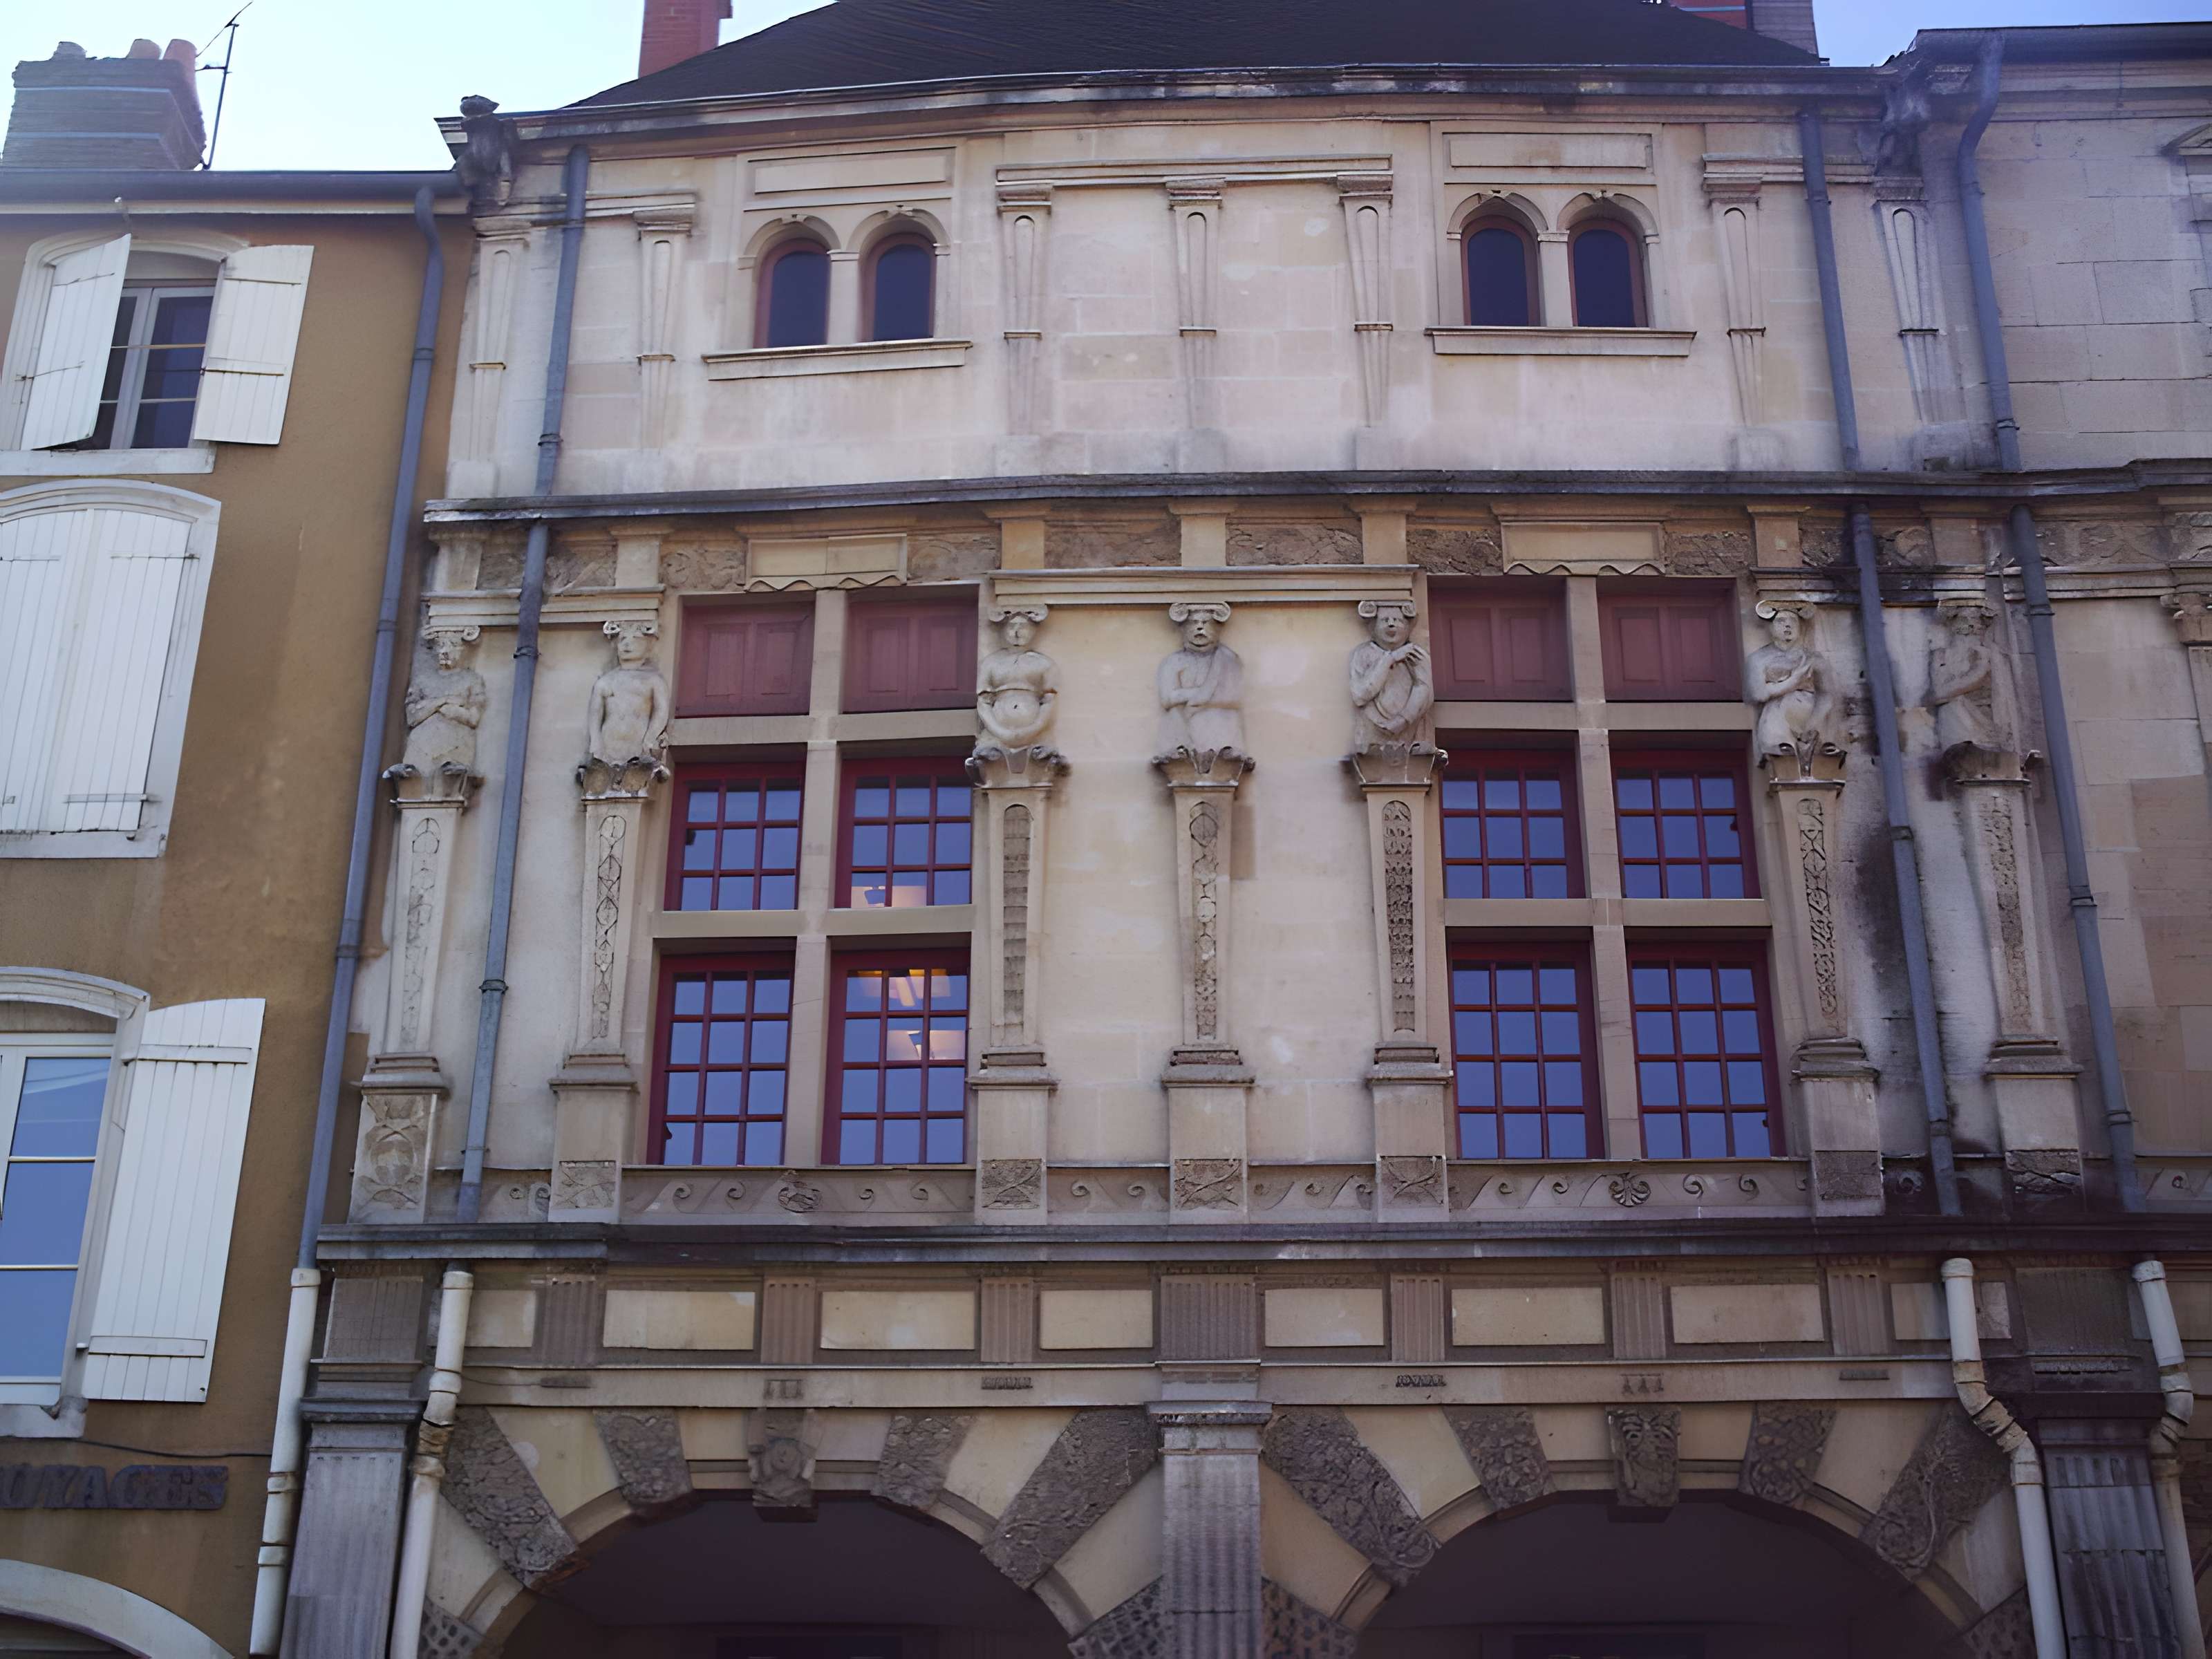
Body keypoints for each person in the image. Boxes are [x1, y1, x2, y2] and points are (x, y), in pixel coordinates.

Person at [1745, 604, 1839, 771]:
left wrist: (1814, 724)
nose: (1788, 626)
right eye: (1781, 621)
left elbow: (1826, 695)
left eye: (1793, 622)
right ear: (1772, 627)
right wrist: (1794, 681)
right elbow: (1759, 694)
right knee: (1776, 719)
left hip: (1808, 710)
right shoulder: (1759, 659)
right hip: (1776, 714)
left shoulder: (1813, 658)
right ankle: (1780, 748)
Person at [1154, 602, 1245, 758]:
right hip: (1183, 730)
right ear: (1183, 629)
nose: (1200, 627)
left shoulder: (1228, 659)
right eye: (1194, 623)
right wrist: (1203, 694)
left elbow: (1234, 697)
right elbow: (1167, 698)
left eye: (1206, 623)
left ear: (1217, 629)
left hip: (1222, 731)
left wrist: (1189, 697)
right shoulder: (1174, 661)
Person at [395, 626, 485, 780]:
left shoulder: (471, 679)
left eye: (451, 646)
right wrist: (444, 701)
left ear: (460, 650)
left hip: (456, 740)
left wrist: (436, 708)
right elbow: (412, 716)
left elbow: (473, 718)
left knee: (451, 780)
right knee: (414, 781)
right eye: (440, 646)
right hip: (422, 741)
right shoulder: (422, 680)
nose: (444, 651)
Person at [1349, 601, 1432, 751]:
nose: (1391, 625)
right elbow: (1360, 695)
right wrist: (1390, 659)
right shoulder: (1363, 654)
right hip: (1373, 730)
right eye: (1385, 620)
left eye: (1397, 620)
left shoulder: (1416, 655)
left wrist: (1403, 720)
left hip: (1410, 730)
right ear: (1374, 626)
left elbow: (1424, 689)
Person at [586, 623, 670, 771]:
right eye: (622, 639)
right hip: (610, 740)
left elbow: (661, 711)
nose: (627, 644)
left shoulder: (653, 680)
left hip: (638, 740)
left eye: (636, 639)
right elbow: (595, 713)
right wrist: (596, 741)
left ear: (648, 647)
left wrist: (650, 738)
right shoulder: (606, 680)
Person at [975, 606, 1058, 753]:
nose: (1017, 631)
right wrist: (998, 730)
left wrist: (1034, 728)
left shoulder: (1045, 663)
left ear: (1033, 631)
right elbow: (983, 702)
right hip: (998, 729)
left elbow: (1049, 701)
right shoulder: (991, 662)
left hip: (1033, 729)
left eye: (1024, 626)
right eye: (1012, 626)